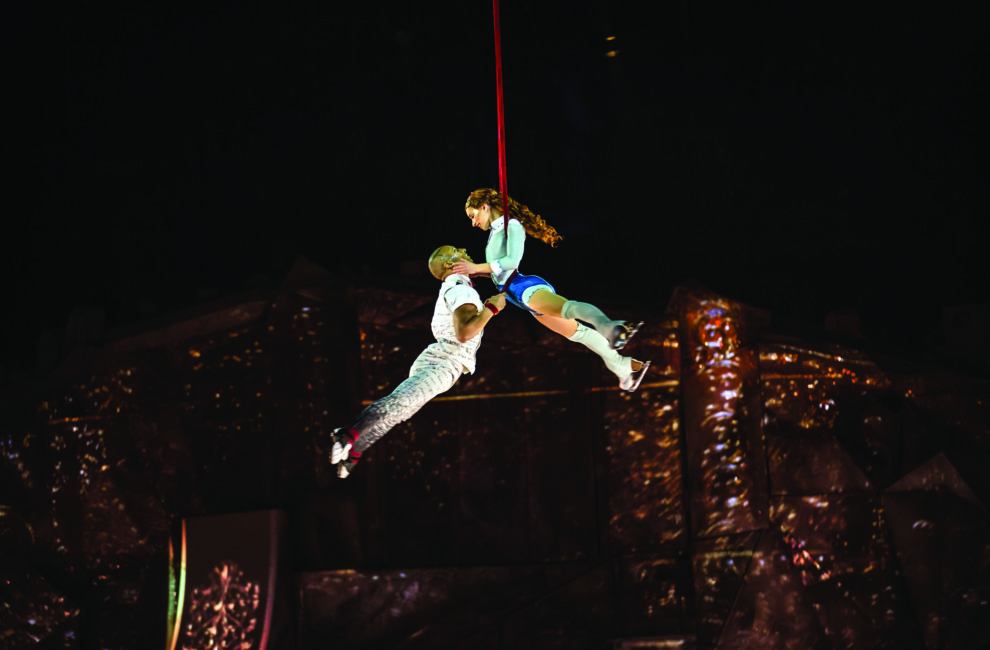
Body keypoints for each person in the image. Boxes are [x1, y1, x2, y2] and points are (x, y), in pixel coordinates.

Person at [328, 245, 506, 478]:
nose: (462, 248)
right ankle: (347, 434)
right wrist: (492, 308)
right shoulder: (460, 289)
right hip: (446, 361)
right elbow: (464, 332)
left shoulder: (455, 287)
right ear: (447, 265)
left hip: (440, 359)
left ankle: (354, 453)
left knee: (399, 410)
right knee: (399, 405)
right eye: (454, 250)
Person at [455, 188, 650, 392]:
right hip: (519, 297)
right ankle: (621, 365)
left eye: (473, 215)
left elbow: (511, 262)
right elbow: (499, 273)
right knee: (578, 333)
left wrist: (476, 267)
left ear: (484, 206)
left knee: (569, 308)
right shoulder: (496, 231)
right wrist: (480, 273)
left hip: (524, 288)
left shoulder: (512, 226)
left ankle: (610, 327)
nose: (473, 222)